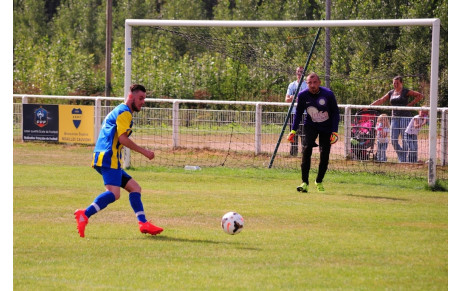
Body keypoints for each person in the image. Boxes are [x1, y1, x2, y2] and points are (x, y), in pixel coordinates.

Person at [74, 84, 163, 238]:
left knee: (135, 188)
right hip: (109, 157)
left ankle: (143, 223)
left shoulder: (119, 110)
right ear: (131, 96)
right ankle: (85, 214)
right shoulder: (124, 113)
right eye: (140, 98)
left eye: (144, 99)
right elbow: (122, 138)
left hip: (104, 156)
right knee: (114, 194)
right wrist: (145, 152)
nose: (143, 102)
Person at [287, 72, 340, 193]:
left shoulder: (328, 94)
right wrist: (293, 130)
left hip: (326, 128)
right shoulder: (302, 95)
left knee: (324, 155)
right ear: (306, 84)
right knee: (306, 150)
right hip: (310, 126)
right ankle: (304, 182)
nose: (312, 85)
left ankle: (319, 181)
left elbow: (336, 113)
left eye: (314, 82)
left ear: (319, 83)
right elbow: (298, 113)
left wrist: (335, 131)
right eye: (309, 83)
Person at [370, 76, 424, 162]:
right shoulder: (391, 92)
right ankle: (402, 156)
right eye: (394, 83)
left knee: (404, 139)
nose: (395, 84)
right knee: (393, 139)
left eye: (397, 83)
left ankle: (403, 160)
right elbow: (381, 100)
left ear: (401, 83)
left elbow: (420, 96)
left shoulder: (405, 91)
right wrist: (369, 106)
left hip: (405, 117)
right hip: (394, 117)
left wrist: (410, 105)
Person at [285, 66, 308, 156]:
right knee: (293, 134)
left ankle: (304, 153)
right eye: (298, 71)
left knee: (304, 134)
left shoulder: (306, 85)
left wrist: (299, 99)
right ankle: (293, 153)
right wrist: (292, 98)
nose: (299, 73)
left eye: (301, 72)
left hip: (304, 113)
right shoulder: (291, 85)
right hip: (293, 113)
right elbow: (287, 99)